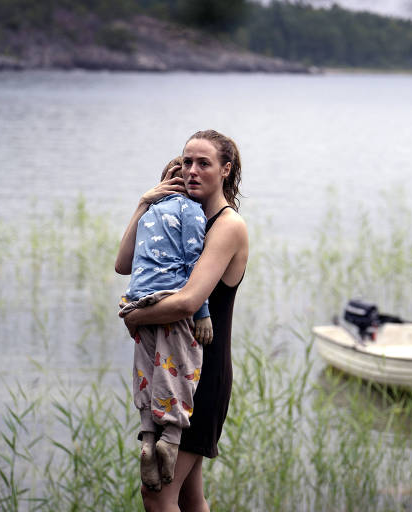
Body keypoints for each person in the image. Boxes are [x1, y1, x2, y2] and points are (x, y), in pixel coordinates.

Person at [116, 129, 248, 512]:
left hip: (200, 377)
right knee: (191, 498)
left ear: (225, 170)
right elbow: (124, 264)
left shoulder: (227, 226)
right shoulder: (174, 216)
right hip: (171, 368)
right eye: (186, 161)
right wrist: (144, 203)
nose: (192, 170)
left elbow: (189, 302)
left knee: (156, 496)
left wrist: (135, 315)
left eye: (203, 163)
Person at [116, 157, 214, 492]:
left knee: (147, 369)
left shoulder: (149, 215)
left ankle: (146, 437)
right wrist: (202, 313)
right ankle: (169, 439)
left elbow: (123, 265)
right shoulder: (192, 211)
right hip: (170, 300)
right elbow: (193, 264)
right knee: (179, 368)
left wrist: (144, 202)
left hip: (136, 298)